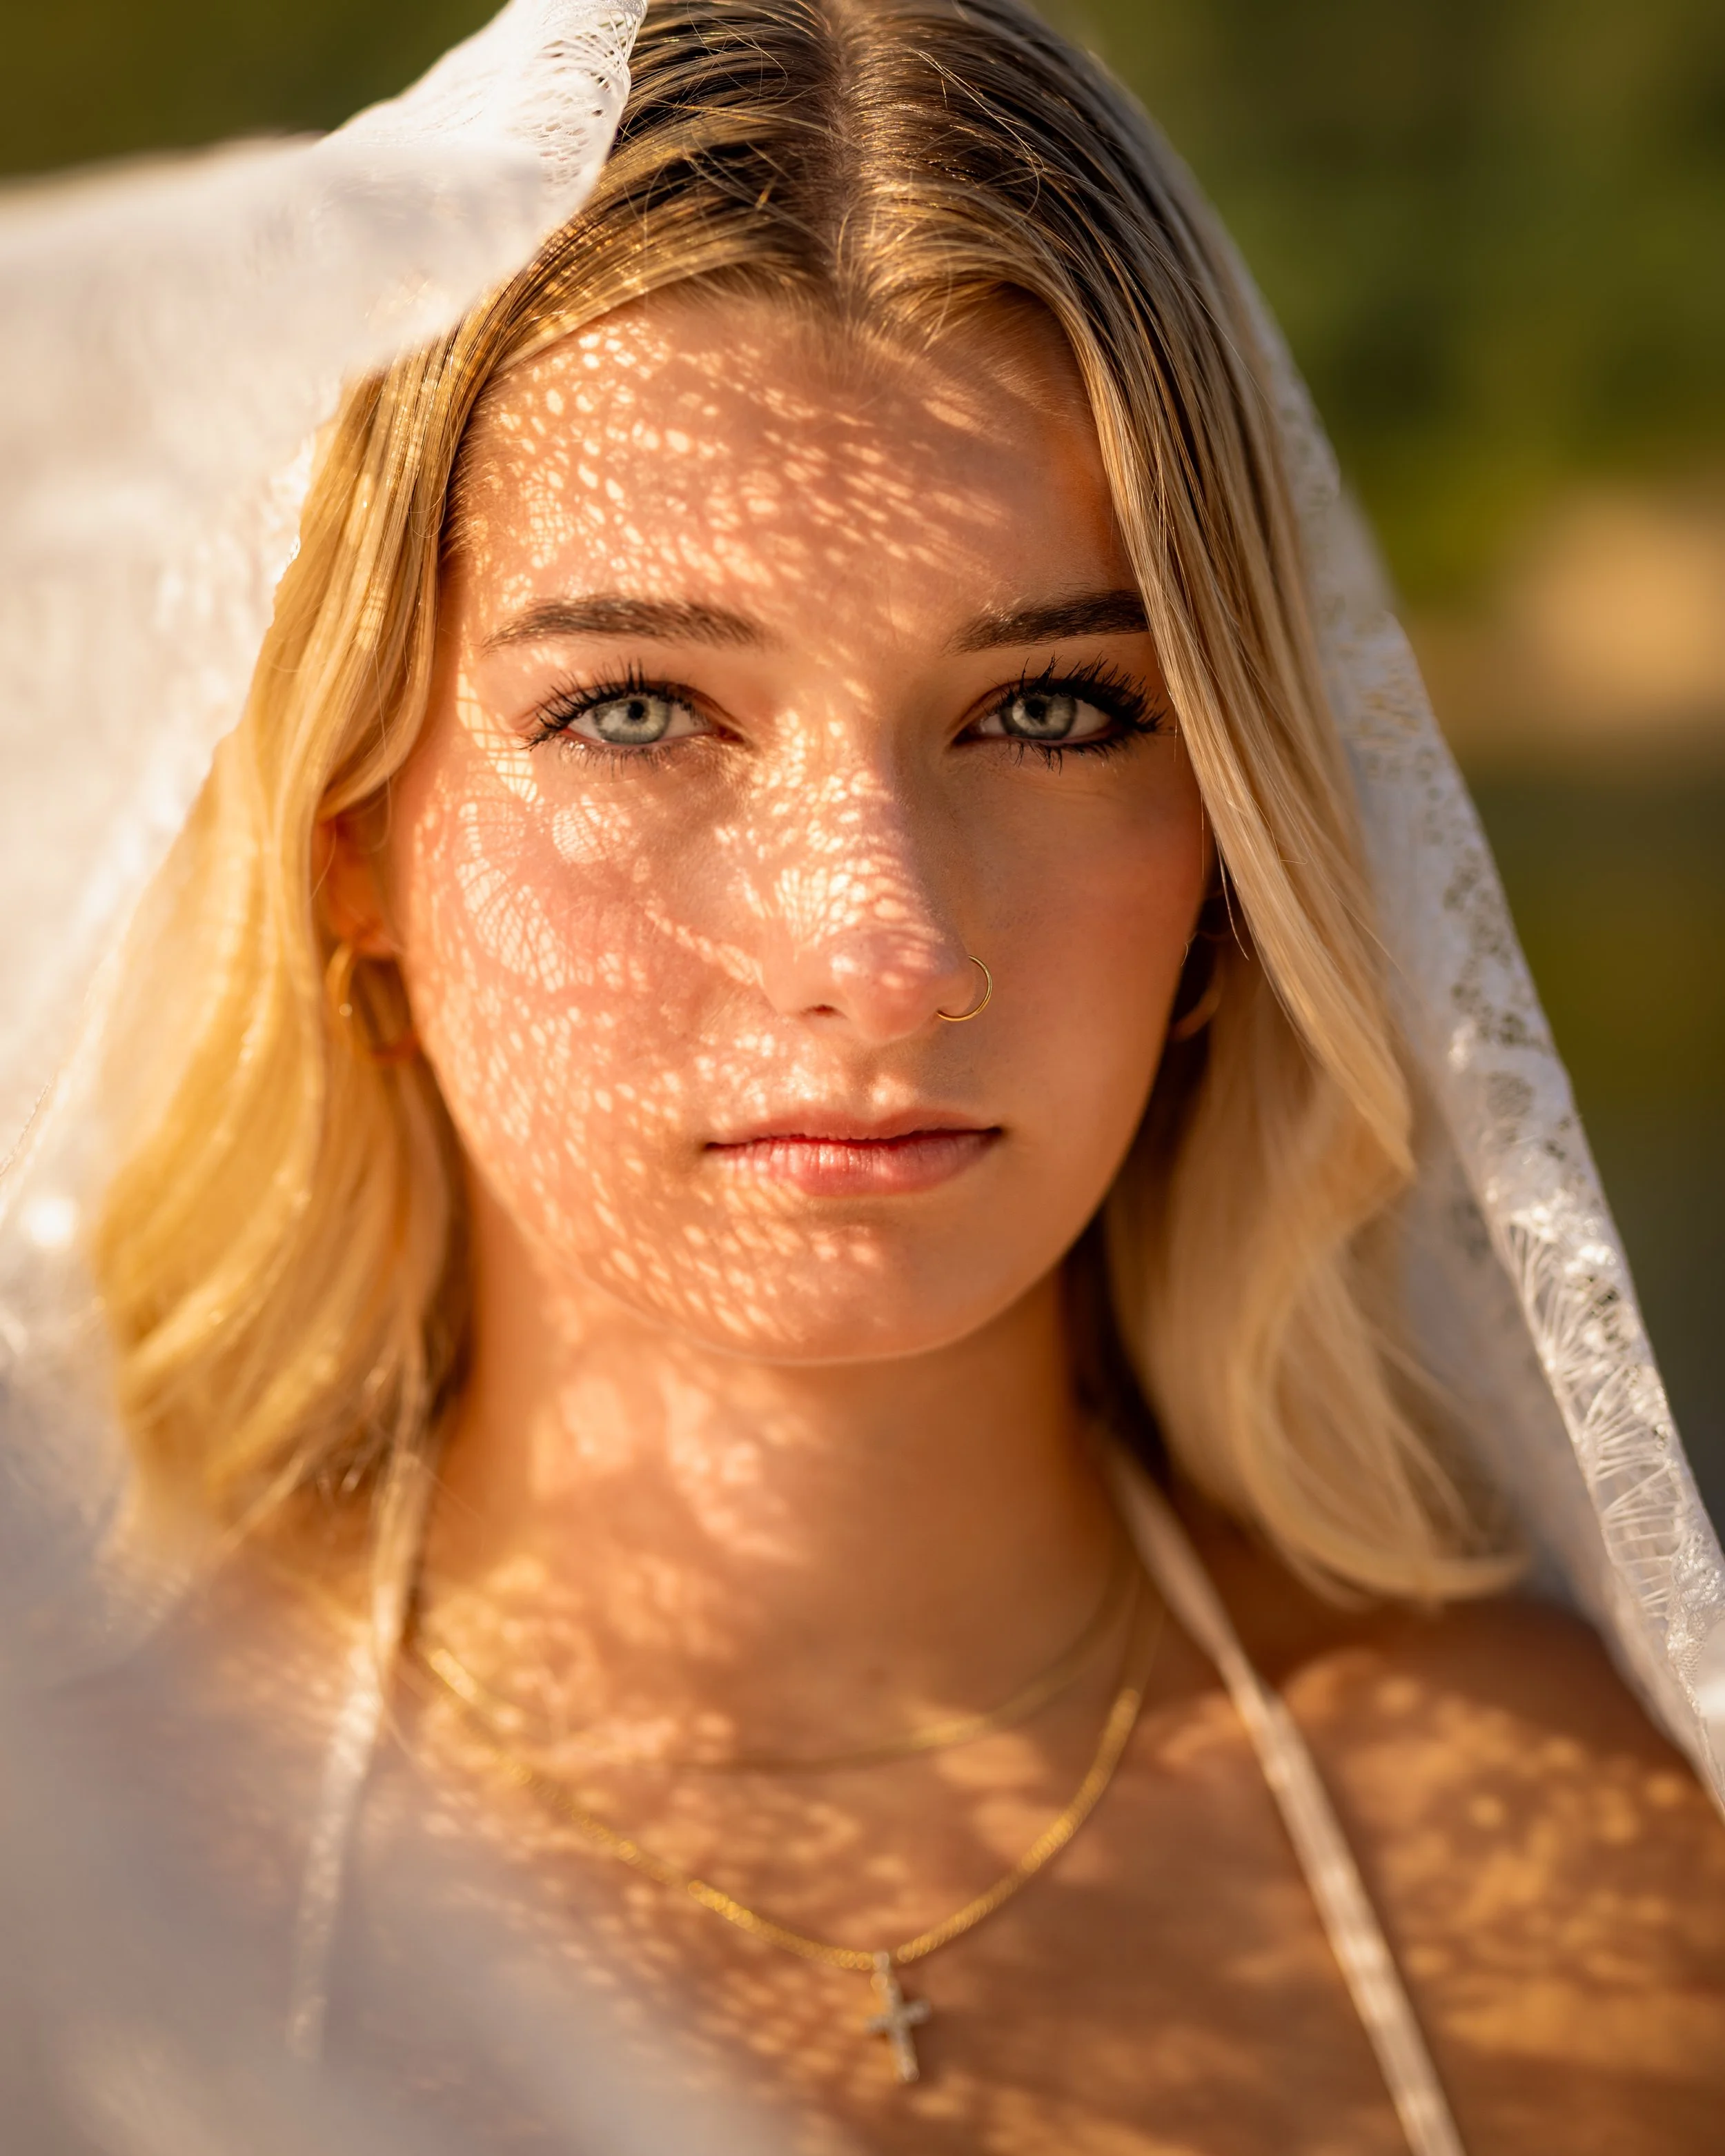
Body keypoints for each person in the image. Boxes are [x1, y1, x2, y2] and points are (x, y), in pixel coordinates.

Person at [3, 1, 1722, 2150]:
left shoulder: (1611, 1898)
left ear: (1231, 843)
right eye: (637, 711)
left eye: (1056, 711)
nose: (886, 949)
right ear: (349, 835)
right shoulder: (80, 1894)